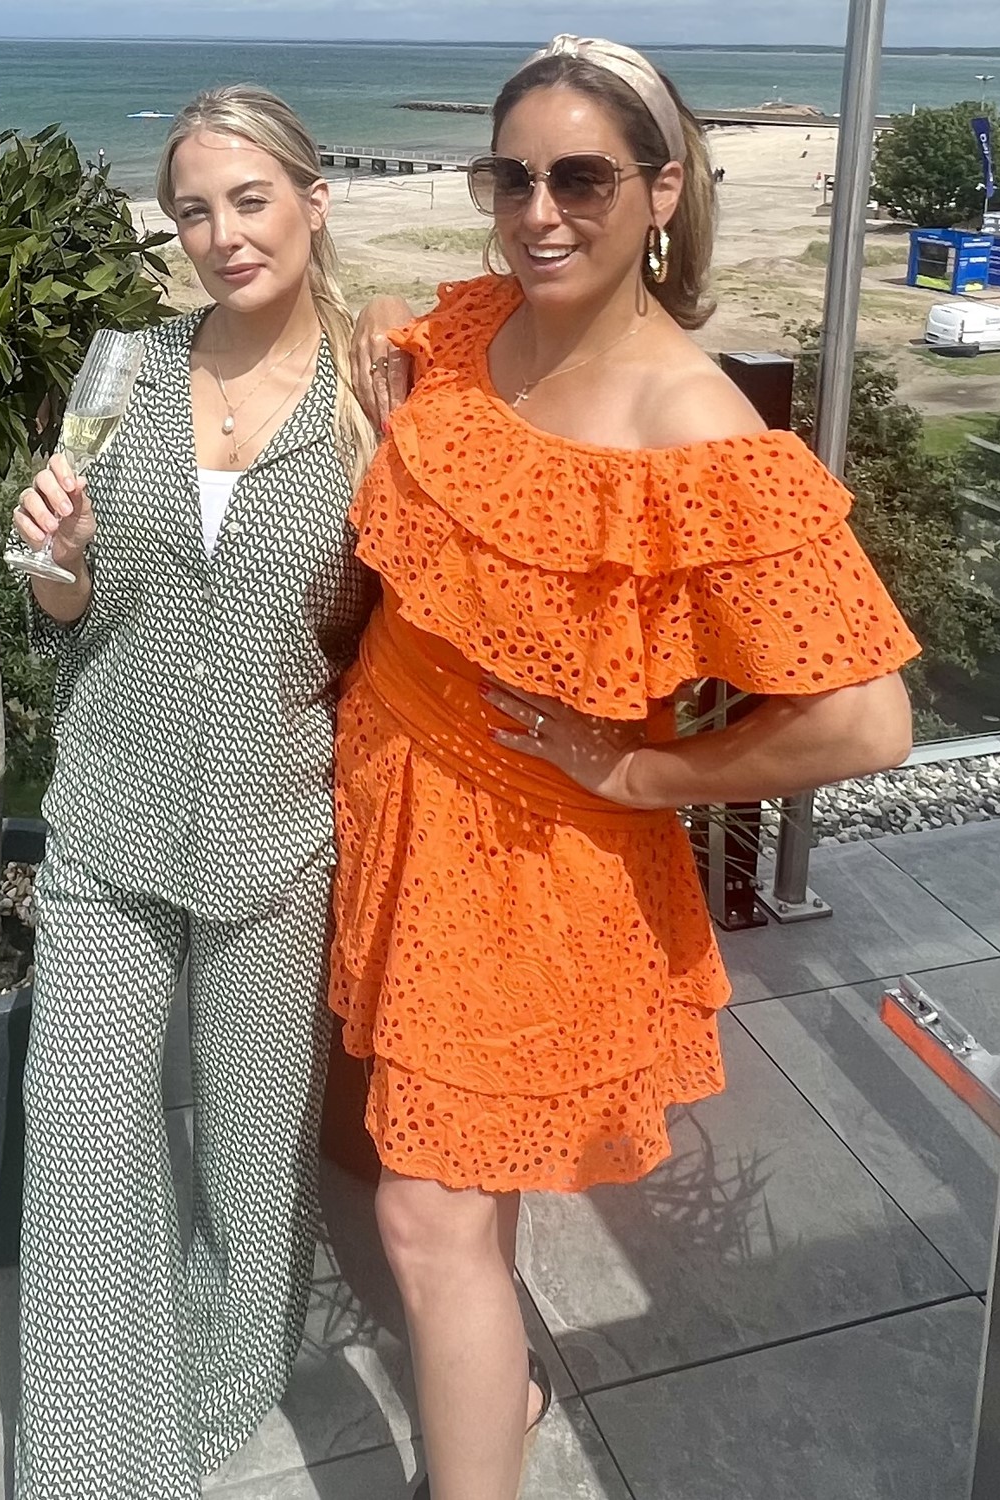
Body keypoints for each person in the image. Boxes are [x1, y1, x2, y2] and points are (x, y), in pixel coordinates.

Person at [339, 35, 916, 1500]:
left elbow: (866, 722)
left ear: (662, 192)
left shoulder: (694, 430)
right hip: (399, 793)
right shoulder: (485, 322)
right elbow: (401, 335)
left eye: (582, 179)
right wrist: (385, 357)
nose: (539, 213)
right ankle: (503, 1393)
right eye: (512, 178)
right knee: (470, 1180)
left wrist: (647, 779)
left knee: (421, 1217)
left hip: (532, 871)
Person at [10, 84, 375, 1500]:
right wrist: (56, 558)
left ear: (313, 203)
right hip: (109, 815)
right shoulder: (127, 372)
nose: (224, 236)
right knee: (83, 1135)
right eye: (193, 213)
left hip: (279, 832)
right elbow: (64, 604)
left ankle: (229, 1375)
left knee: (251, 1145)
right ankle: (92, 1451)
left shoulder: (375, 397)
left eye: (250, 201)